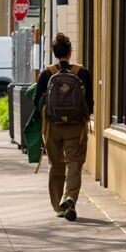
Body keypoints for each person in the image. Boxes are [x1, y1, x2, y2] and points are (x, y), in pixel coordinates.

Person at [34, 31, 92, 220]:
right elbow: (89, 102)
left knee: (56, 165)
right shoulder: (82, 73)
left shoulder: (47, 73)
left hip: (53, 128)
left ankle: (58, 206)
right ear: (70, 52)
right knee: (74, 163)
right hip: (76, 127)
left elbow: (36, 101)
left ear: (55, 53)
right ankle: (70, 198)